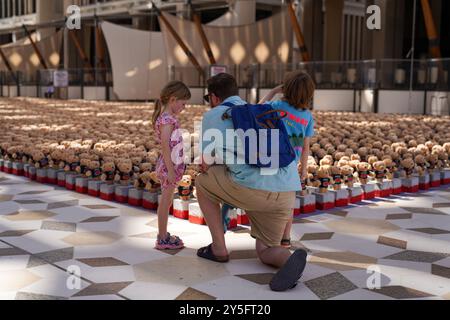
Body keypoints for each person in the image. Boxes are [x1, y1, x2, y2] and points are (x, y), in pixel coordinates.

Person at [196, 73, 308, 292]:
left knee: (202, 183)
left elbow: (206, 161)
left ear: (213, 97)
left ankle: (219, 249)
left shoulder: (214, 115)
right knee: (266, 250)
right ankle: (286, 259)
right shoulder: (260, 109)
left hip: (252, 190)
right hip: (286, 191)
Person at [259, 70, 316, 249]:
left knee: (269, 197)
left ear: (287, 89)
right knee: (288, 203)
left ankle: (268, 234)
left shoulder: (277, 106)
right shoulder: (307, 116)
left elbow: (257, 108)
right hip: (291, 164)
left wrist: (273, 91)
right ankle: (285, 237)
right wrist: (304, 170)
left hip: (271, 160)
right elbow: (306, 147)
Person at [152, 81, 191, 250]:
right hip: (169, 166)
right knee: (165, 201)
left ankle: (164, 234)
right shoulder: (167, 120)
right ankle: (162, 237)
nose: (184, 107)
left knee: (166, 201)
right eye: (183, 103)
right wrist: (170, 170)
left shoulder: (169, 118)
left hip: (171, 165)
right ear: (173, 99)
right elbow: (166, 147)